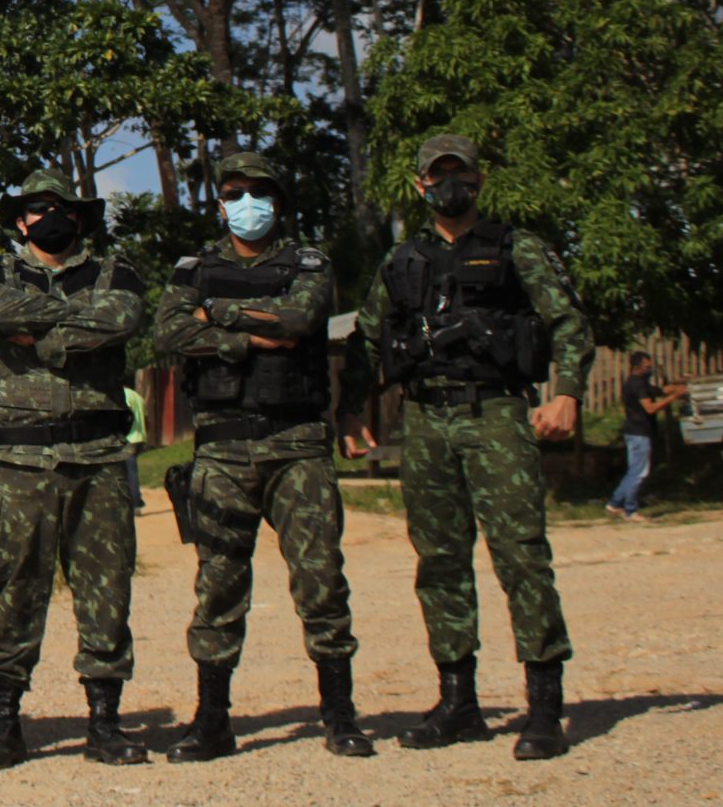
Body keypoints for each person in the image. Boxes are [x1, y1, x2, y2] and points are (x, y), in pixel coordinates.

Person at [347, 133, 592, 761]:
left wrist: (565, 393)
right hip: (426, 423)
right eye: (437, 175)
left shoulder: (518, 249)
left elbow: (568, 323)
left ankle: (544, 706)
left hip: (497, 416)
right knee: (440, 561)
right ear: (420, 183)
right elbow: (368, 341)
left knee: (521, 556)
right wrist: (351, 411)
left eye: (459, 174)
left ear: (478, 181)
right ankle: (458, 701)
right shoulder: (402, 260)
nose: (448, 184)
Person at [152, 152, 373, 762]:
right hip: (222, 447)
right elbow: (167, 332)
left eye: (259, 191)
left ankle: (339, 715)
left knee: (320, 580)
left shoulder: (308, 262)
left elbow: (300, 318)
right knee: (219, 585)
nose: (247, 202)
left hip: (296, 443)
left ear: (277, 201)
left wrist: (215, 316)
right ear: (220, 203)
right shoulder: (196, 266)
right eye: (235, 192)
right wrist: (253, 333)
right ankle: (212, 720)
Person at [0, 170, 147, 769]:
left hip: (98, 459)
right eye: (38, 208)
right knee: (14, 591)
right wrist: (75, 323)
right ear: (20, 220)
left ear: (81, 216)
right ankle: (4, 725)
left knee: (106, 593)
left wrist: (40, 339)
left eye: (62, 207)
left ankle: (105, 721)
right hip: (21, 461)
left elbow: (121, 319)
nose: (51, 217)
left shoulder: (114, 272)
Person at [609, 352, 683, 521]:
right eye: (647, 367)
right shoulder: (637, 386)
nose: (649, 370)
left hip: (635, 432)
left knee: (634, 470)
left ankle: (615, 503)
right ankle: (630, 509)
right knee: (639, 472)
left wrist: (677, 386)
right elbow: (650, 408)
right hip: (639, 432)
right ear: (637, 367)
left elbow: (660, 390)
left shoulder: (639, 383)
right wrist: (674, 398)